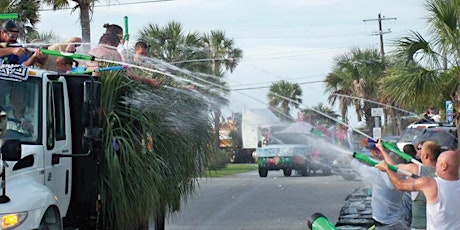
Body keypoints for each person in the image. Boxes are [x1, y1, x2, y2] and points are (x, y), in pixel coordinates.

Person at [376, 150, 460, 230]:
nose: (436, 165)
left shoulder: (431, 184)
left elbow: (399, 185)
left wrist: (387, 169)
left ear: (444, 166)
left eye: (438, 162)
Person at [377, 140, 440, 230]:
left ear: (426, 155)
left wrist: (382, 150)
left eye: (420, 150)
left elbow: (393, 167)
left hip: (419, 226)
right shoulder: (447, 173)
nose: (417, 152)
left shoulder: (415, 169)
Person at [350, 148, 409, 229]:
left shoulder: (379, 174)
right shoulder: (404, 177)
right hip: (398, 221)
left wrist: (351, 159)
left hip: (383, 223)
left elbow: (360, 168)